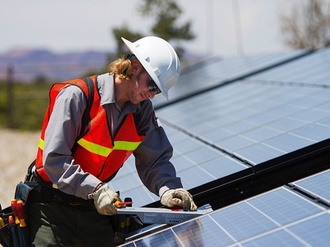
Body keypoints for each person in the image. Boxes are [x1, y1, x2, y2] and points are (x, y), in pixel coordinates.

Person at [25, 36, 197, 247]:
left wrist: (169, 189)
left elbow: (154, 160)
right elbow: (54, 159)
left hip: (93, 208)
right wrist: (95, 189)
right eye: (152, 85)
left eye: (157, 91)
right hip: (51, 208)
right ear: (134, 67)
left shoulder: (142, 112)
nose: (151, 95)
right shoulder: (77, 96)